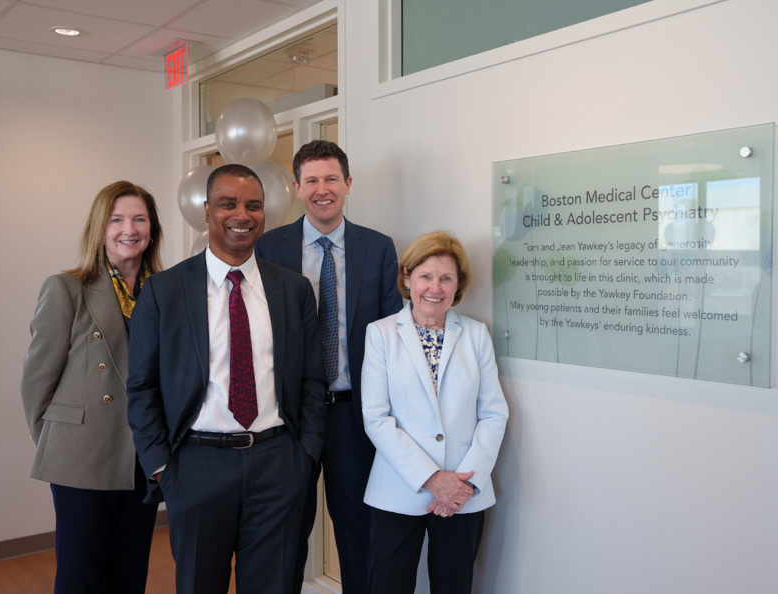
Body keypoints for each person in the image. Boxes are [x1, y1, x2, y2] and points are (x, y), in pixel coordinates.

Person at [126, 164, 326, 594]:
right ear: (206, 211)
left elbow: (312, 380)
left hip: (278, 465)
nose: (242, 214)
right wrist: (162, 467)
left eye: (253, 205)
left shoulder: (293, 290)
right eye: (228, 204)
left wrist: (305, 455)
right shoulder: (164, 292)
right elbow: (141, 388)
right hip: (196, 467)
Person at [255, 140, 400, 593]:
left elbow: (394, 339)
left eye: (331, 179)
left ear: (348, 184)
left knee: (358, 535)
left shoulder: (377, 249)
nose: (323, 189)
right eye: (312, 180)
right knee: (284, 536)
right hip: (289, 417)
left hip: (352, 417)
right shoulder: (268, 248)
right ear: (297, 187)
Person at [21, 181, 163, 593]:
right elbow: (36, 380)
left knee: (131, 572)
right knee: (80, 574)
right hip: (81, 457)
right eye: (116, 220)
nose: (128, 229)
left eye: (139, 219)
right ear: (100, 229)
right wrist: (55, 441)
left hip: (143, 455)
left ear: (151, 229)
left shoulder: (166, 291)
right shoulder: (67, 287)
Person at [361, 231, 509, 594]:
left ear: (458, 285)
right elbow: (376, 418)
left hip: (463, 492)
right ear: (407, 277)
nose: (435, 288)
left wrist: (463, 485)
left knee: (453, 585)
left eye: (446, 278)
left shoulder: (476, 335)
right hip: (398, 488)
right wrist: (431, 478)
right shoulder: (380, 334)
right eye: (426, 276)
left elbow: (494, 413)